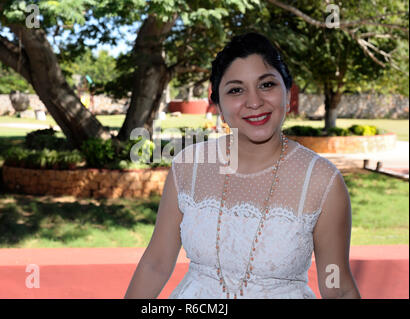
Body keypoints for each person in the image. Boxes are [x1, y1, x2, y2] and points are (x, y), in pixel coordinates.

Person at [124, 32, 361, 299]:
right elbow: (156, 263)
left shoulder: (322, 181)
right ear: (218, 106)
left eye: (267, 85)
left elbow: (338, 287)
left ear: (288, 93)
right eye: (236, 90)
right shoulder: (189, 167)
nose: (254, 102)